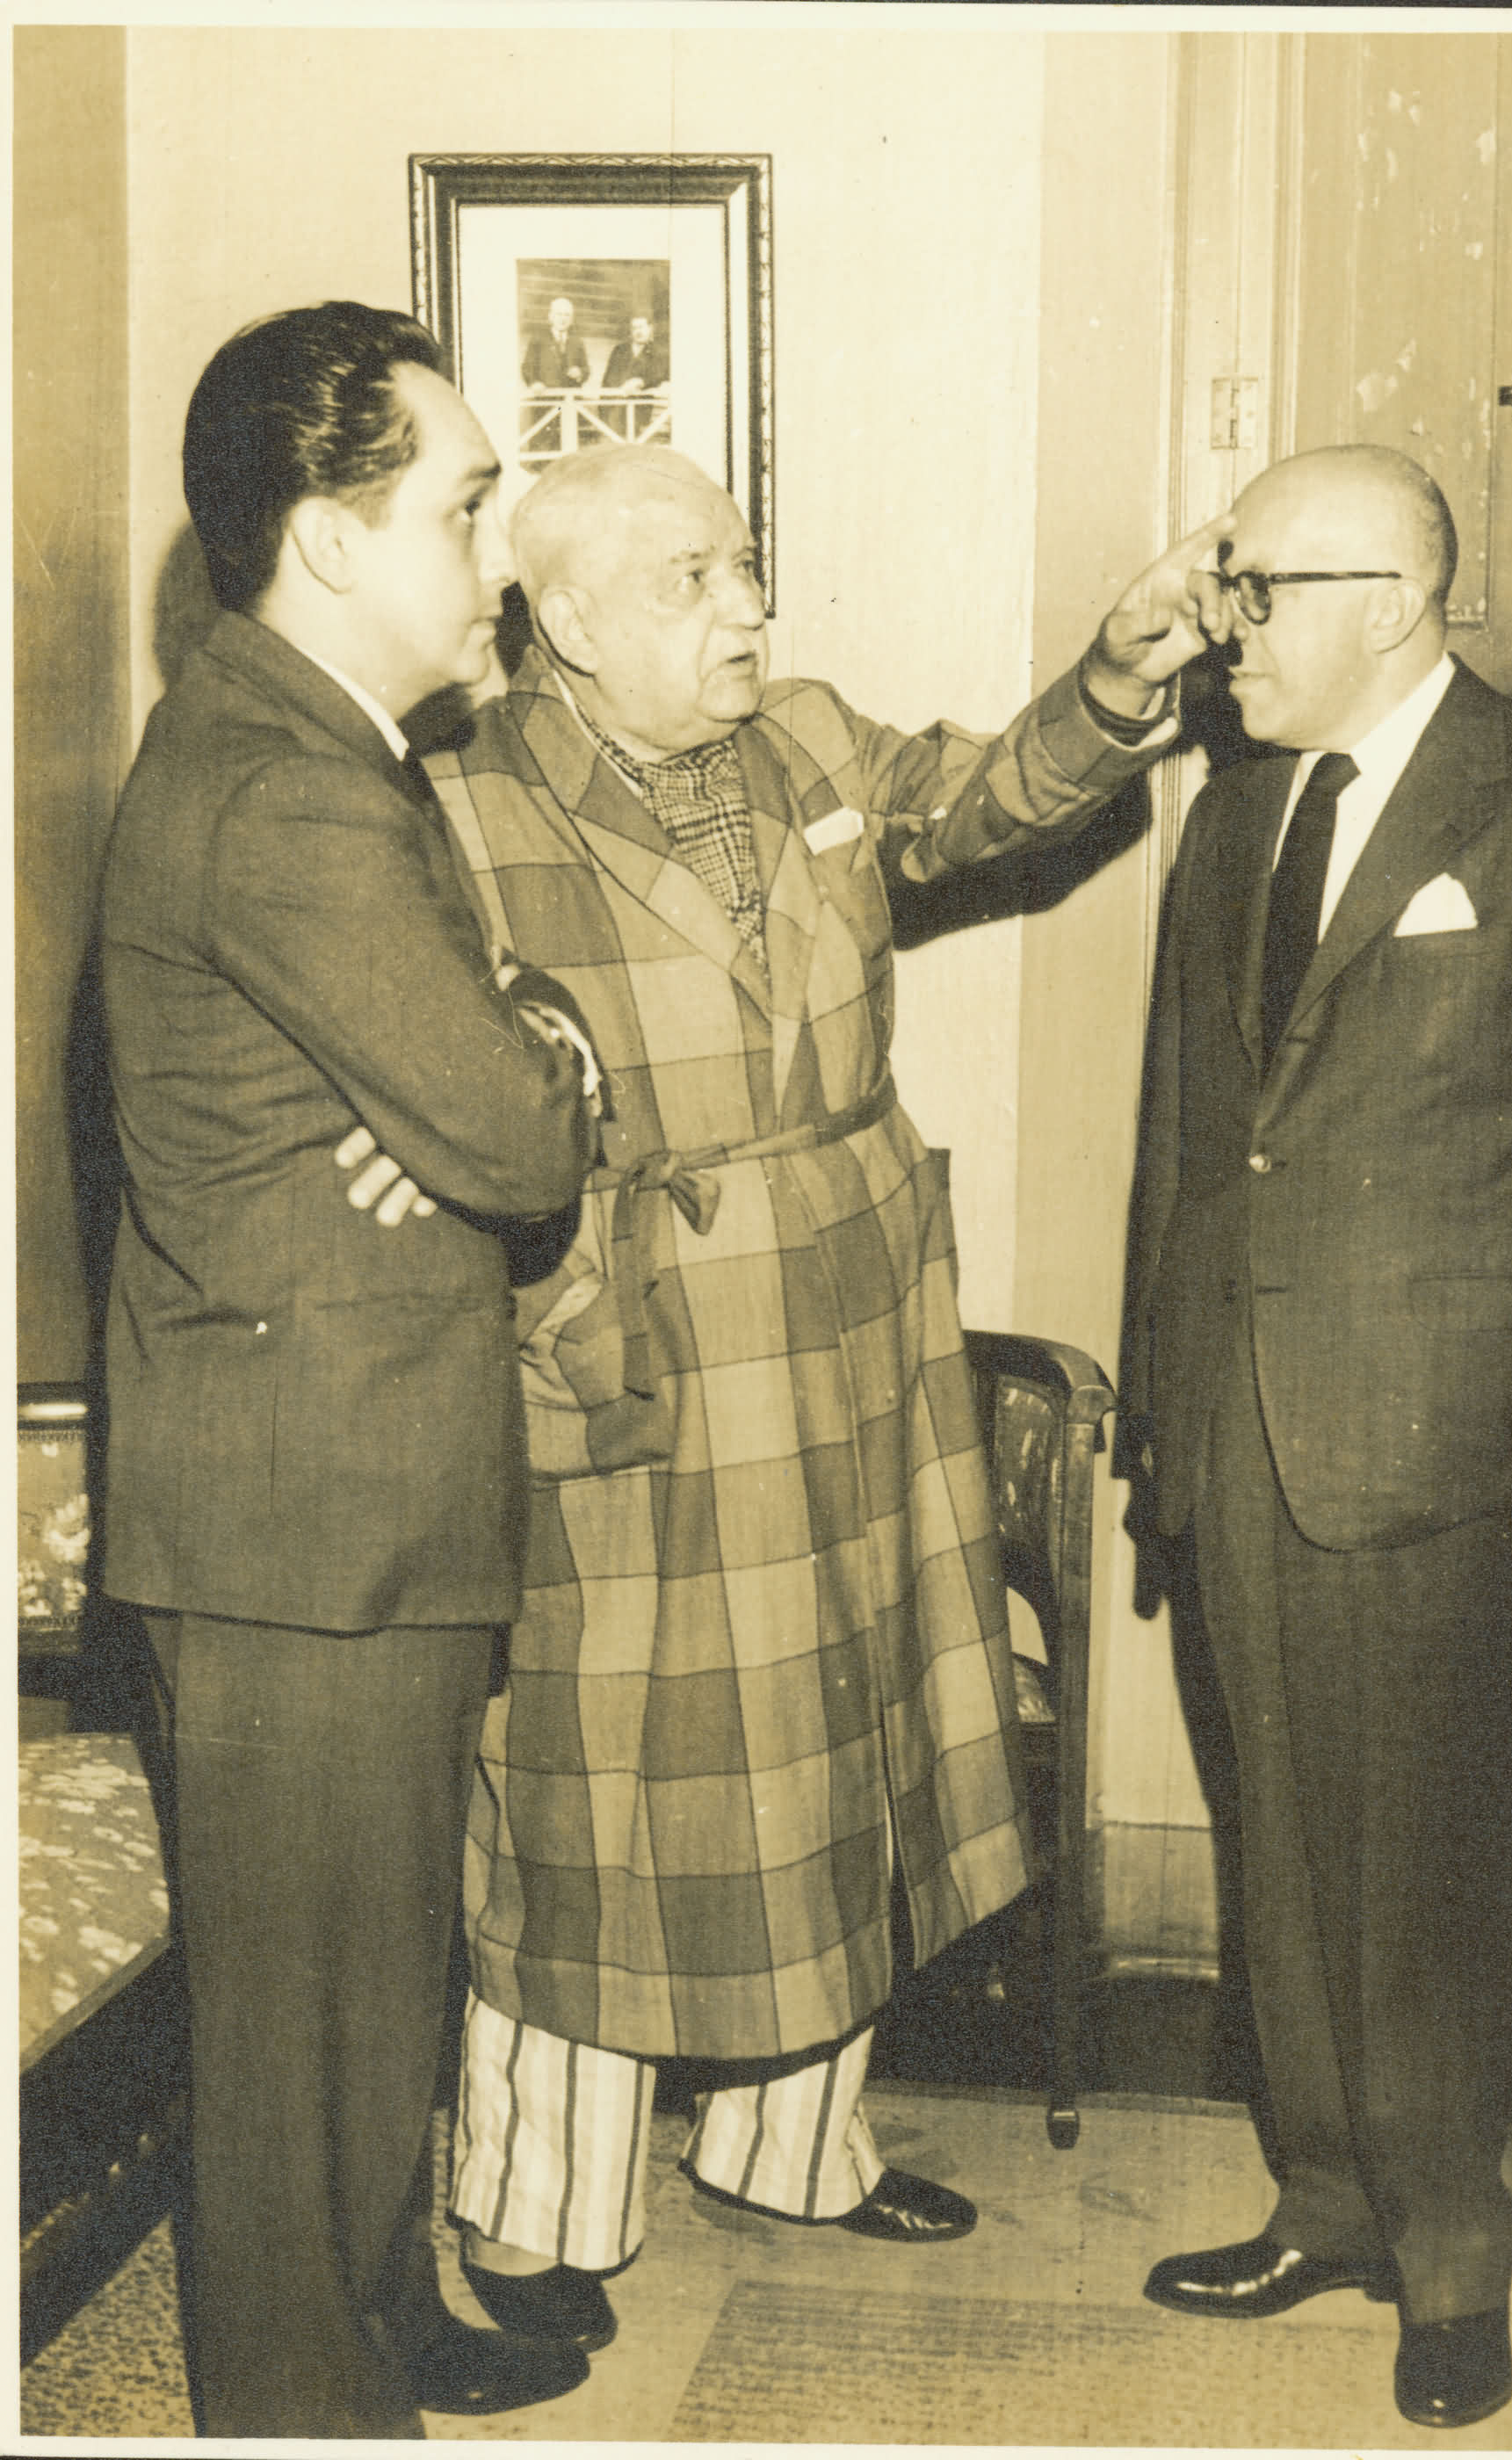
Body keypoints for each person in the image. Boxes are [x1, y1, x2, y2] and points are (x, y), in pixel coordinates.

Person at [413, 444, 1226, 2348]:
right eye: (692, 579)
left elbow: (986, 795)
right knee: (603, 1779)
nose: (746, 607)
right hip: (632, 1343)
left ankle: (795, 2147)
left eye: (744, 565)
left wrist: (1118, 673)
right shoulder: (455, 804)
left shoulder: (804, 735)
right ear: (567, 620)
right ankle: (534, 2208)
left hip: (854, 1317)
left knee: (839, 1736)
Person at [1118, 444, 1512, 2431]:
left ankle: (1452, 2259)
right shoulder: (1232, 814)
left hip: (1447, 1445)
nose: (1224, 625)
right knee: (1280, 1849)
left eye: (1256, 587)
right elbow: (1185, 1137)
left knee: (1429, 1872)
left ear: (1388, 600)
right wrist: (1161, 1410)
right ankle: (1324, 2199)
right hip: (1238, 1427)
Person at [100, 300, 605, 2438]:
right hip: (300, 1526)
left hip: (337, 1502)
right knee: (307, 2033)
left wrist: (499, 1062)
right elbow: (515, 1132)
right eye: (464, 508)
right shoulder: (286, 794)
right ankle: (306, 2405)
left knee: (375, 1980)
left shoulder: (319, 747)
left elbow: (497, 1062)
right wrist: (500, 1081)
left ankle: (379, 2319)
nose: (498, 556)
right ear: (325, 536)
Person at [522, 295, 590, 393]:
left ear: (571, 319)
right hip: (545, 397)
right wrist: (534, 383)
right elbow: (527, 368)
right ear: (550, 317)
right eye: (559, 314)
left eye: (567, 315)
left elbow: (586, 369)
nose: (563, 319)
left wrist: (580, 373)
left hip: (570, 397)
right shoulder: (538, 340)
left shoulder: (577, 342)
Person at [602, 309, 669, 393]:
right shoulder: (619, 350)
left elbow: (659, 376)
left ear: (650, 328)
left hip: (643, 398)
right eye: (634, 328)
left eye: (641, 327)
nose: (638, 332)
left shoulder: (659, 352)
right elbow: (608, 380)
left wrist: (641, 382)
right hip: (618, 397)